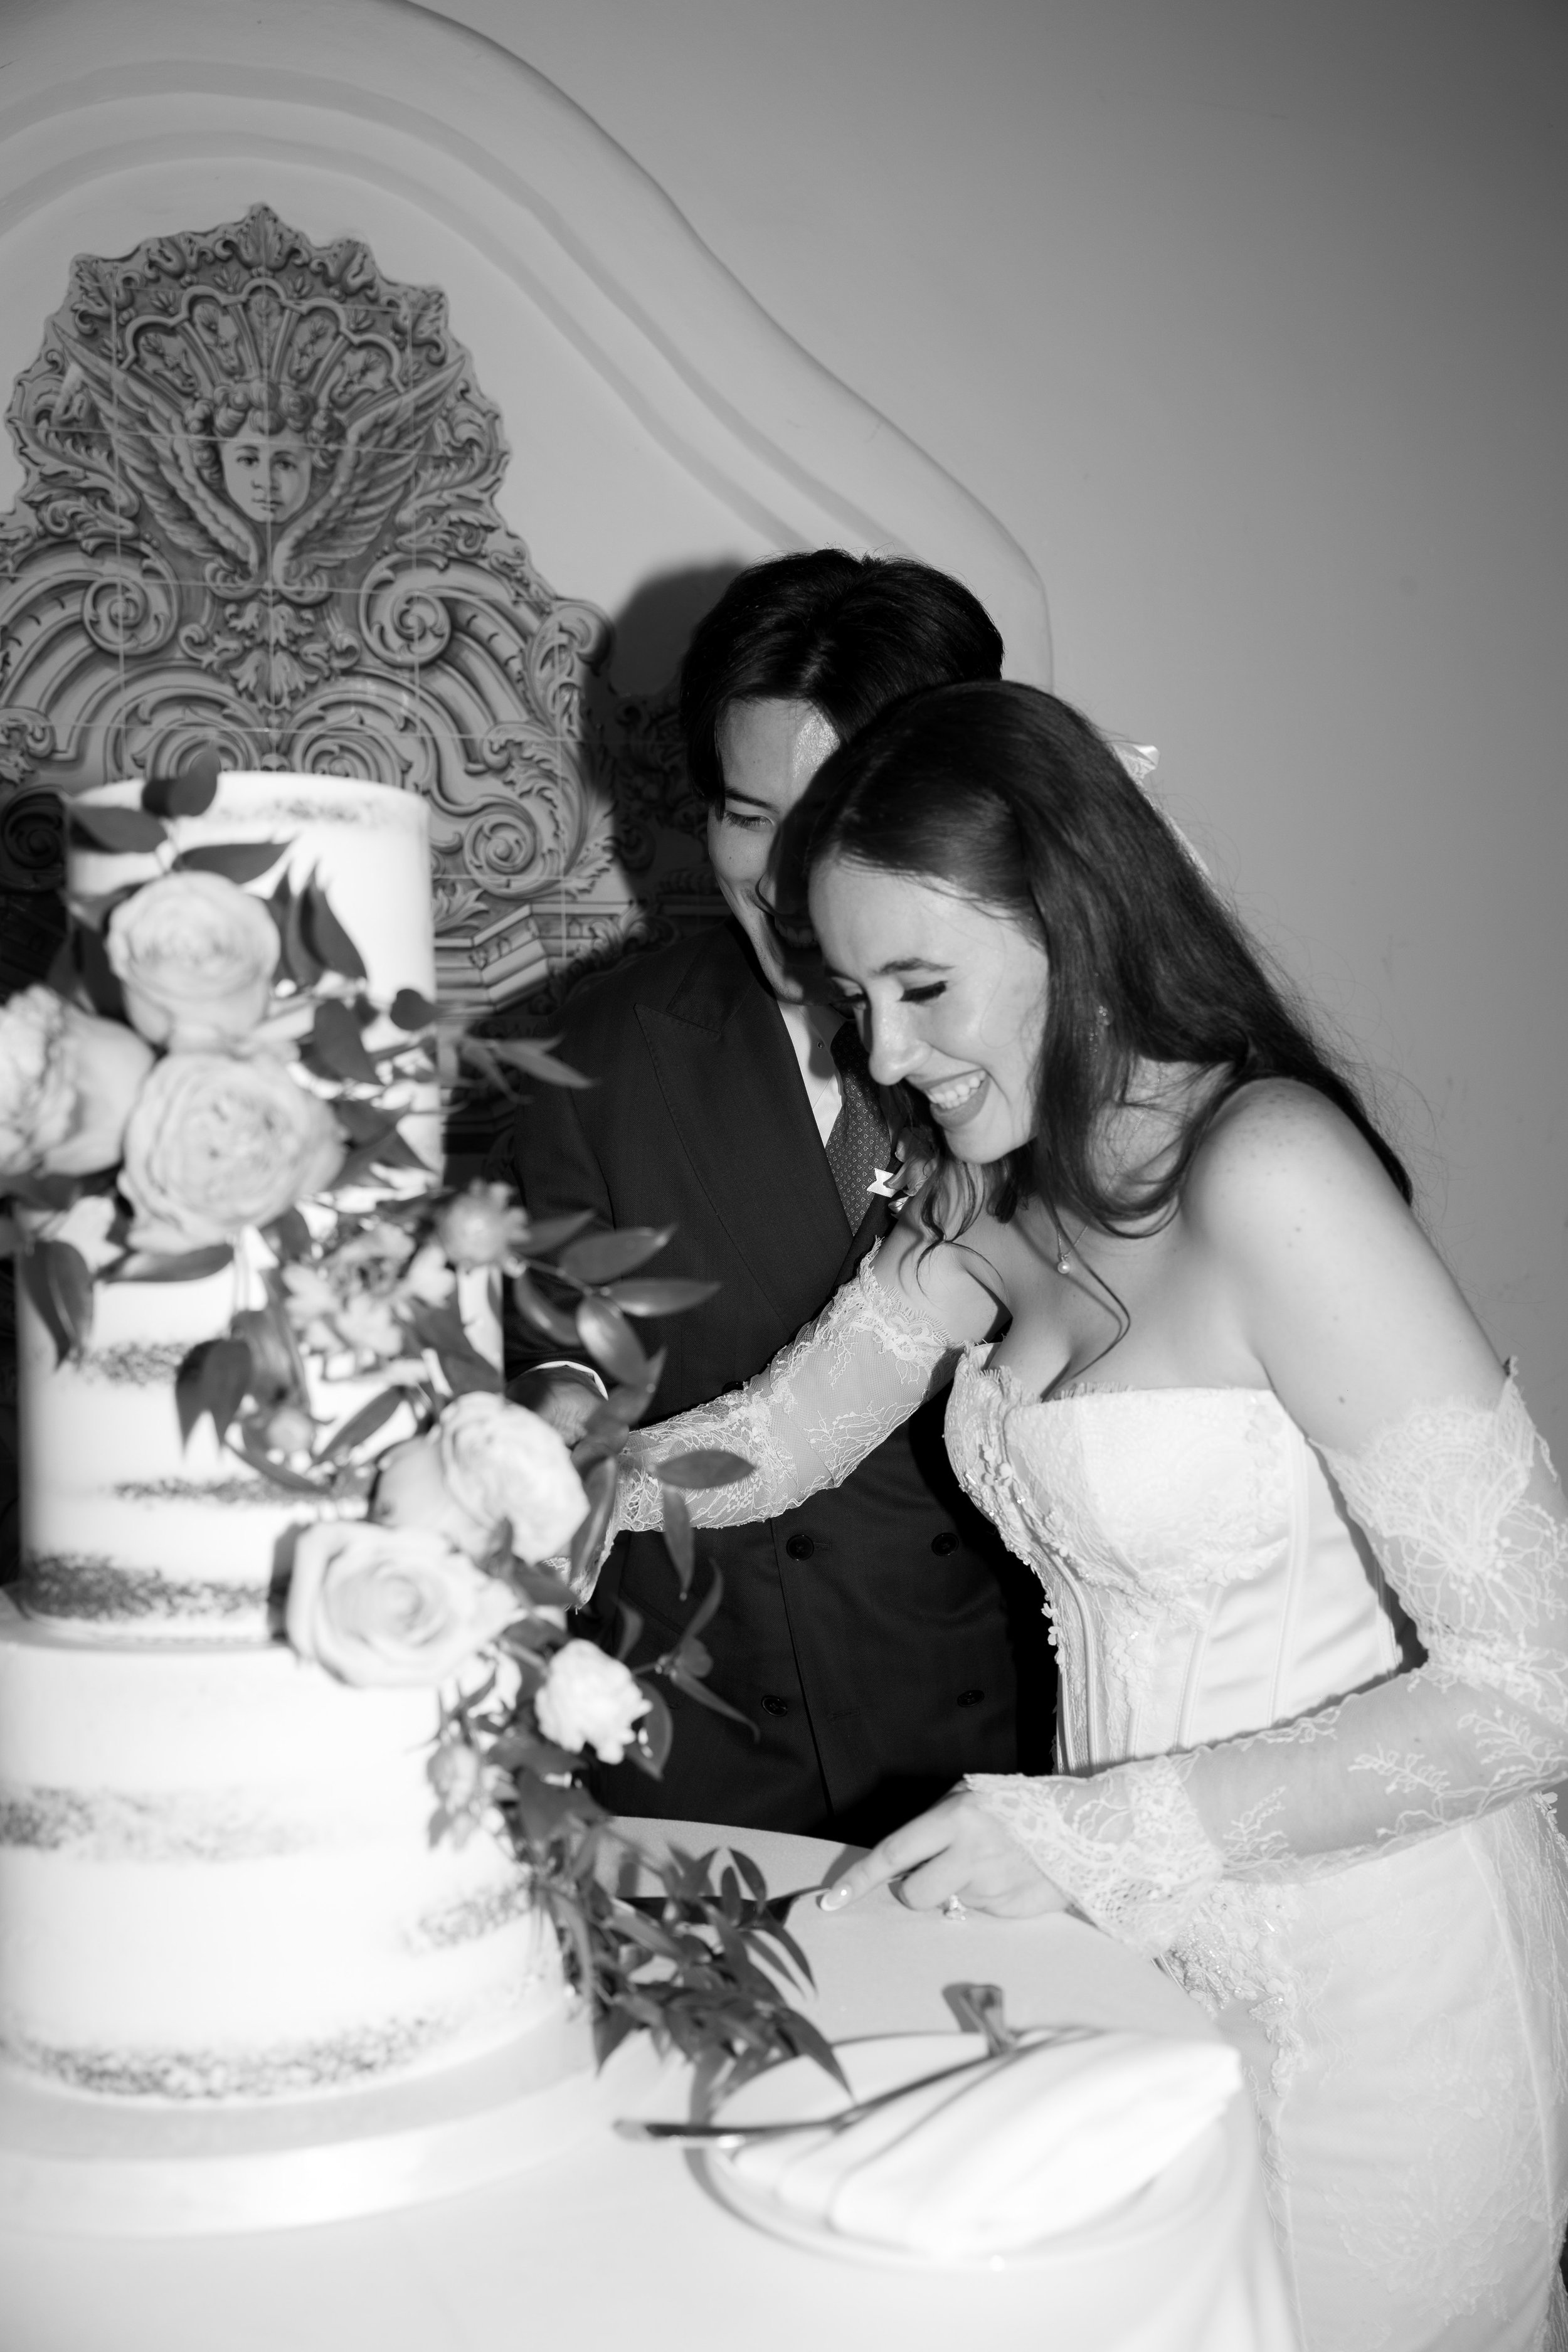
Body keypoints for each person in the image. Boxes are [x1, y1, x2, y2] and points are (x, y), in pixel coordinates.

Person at [605, 680, 1568, 2351]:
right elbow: (777, 1436)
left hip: (1380, 1977)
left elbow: (1536, 1673)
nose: (883, 1054)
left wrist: (1087, 1838)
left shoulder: (1270, 1174)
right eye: (855, 997)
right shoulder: (997, 1190)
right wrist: (543, 1487)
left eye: (921, 986)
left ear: (1074, 921)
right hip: (1124, 1963)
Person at [504, 553, 1054, 1840]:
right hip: (709, 1771)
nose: (785, 872)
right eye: (746, 814)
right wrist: (550, 1419)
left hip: (1015, 1765)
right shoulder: (591, 1053)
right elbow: (557, 1355)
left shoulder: (1066, 1063)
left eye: (845, 811)